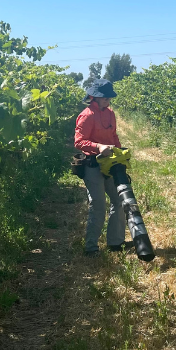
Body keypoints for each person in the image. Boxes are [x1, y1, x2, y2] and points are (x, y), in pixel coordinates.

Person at [74, 78, 126, 256]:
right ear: (93, 97)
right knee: (98, 205)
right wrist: (98, 147)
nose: (108, 100)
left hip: (110, 164)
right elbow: (79, 141)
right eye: (104, 98)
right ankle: (91, 247)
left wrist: (119, 154)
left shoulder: (110, 114)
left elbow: (113, 136)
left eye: (109, 98)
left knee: (119, 200)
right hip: (93, 165)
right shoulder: (87, 115)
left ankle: (115, 243)